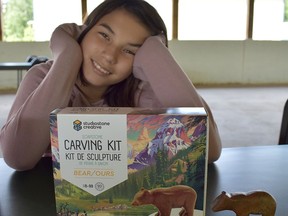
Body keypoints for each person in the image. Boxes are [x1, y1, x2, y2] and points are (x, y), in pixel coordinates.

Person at [0, 0, 221, 171]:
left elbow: (208, 150)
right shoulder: (41, 77)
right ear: (84, 31)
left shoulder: (140, 92)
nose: (109, 56)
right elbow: (18, 157)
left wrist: (158, 57)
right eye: (104, 35)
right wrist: (67, 55)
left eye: (130, 50)